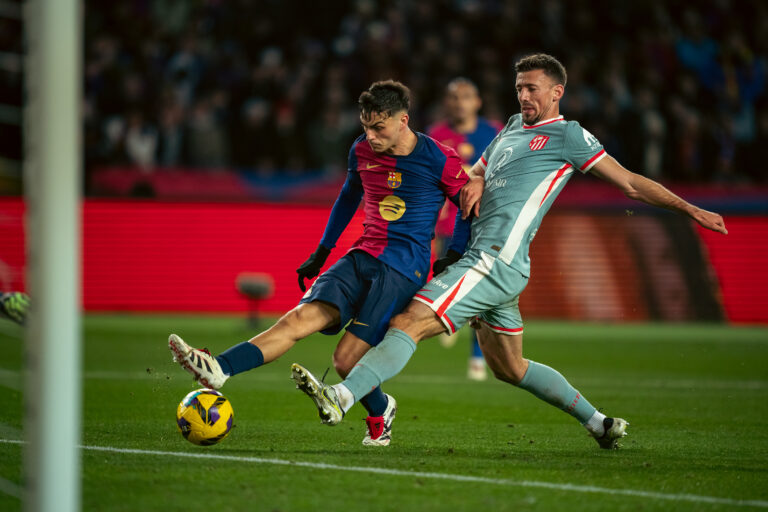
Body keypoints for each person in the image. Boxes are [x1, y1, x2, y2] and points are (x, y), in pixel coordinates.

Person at [290, 53, 729, 449]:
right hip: (489, 260)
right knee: (509, 367)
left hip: (493, 258)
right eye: (519, 87)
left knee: (411, 320)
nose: (523, 95)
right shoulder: (512, 129)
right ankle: (599, 423)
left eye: (532, 87)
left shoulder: (569, 136)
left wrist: (689, 208)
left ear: (557, 92)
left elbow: (631, 182)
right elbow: (471, 175)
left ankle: (344, 396)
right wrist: (476, 178)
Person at [168, 80, 471, 447]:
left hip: (403, 269)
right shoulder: (361, 150)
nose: (371, 136)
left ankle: (381, 410)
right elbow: (348, 196)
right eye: (365, 127)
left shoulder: (439, 158)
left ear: (403, 120)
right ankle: (220, 369)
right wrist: (322, 251)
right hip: (361, 255)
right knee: (296, 320)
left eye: (379, 127)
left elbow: (467, 208)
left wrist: (454, 254)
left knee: (345, 361)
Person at [428, 77, 503, 381]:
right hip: (449, 225)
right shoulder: (436, 135)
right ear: (447, 103)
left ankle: (476, 355)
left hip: (485, 224)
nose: (460, 102)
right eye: (454, 97)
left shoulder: (494, 132)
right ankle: (452, 318)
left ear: (477, 102)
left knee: (481, 290)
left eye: (466, 97)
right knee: (448, 284)